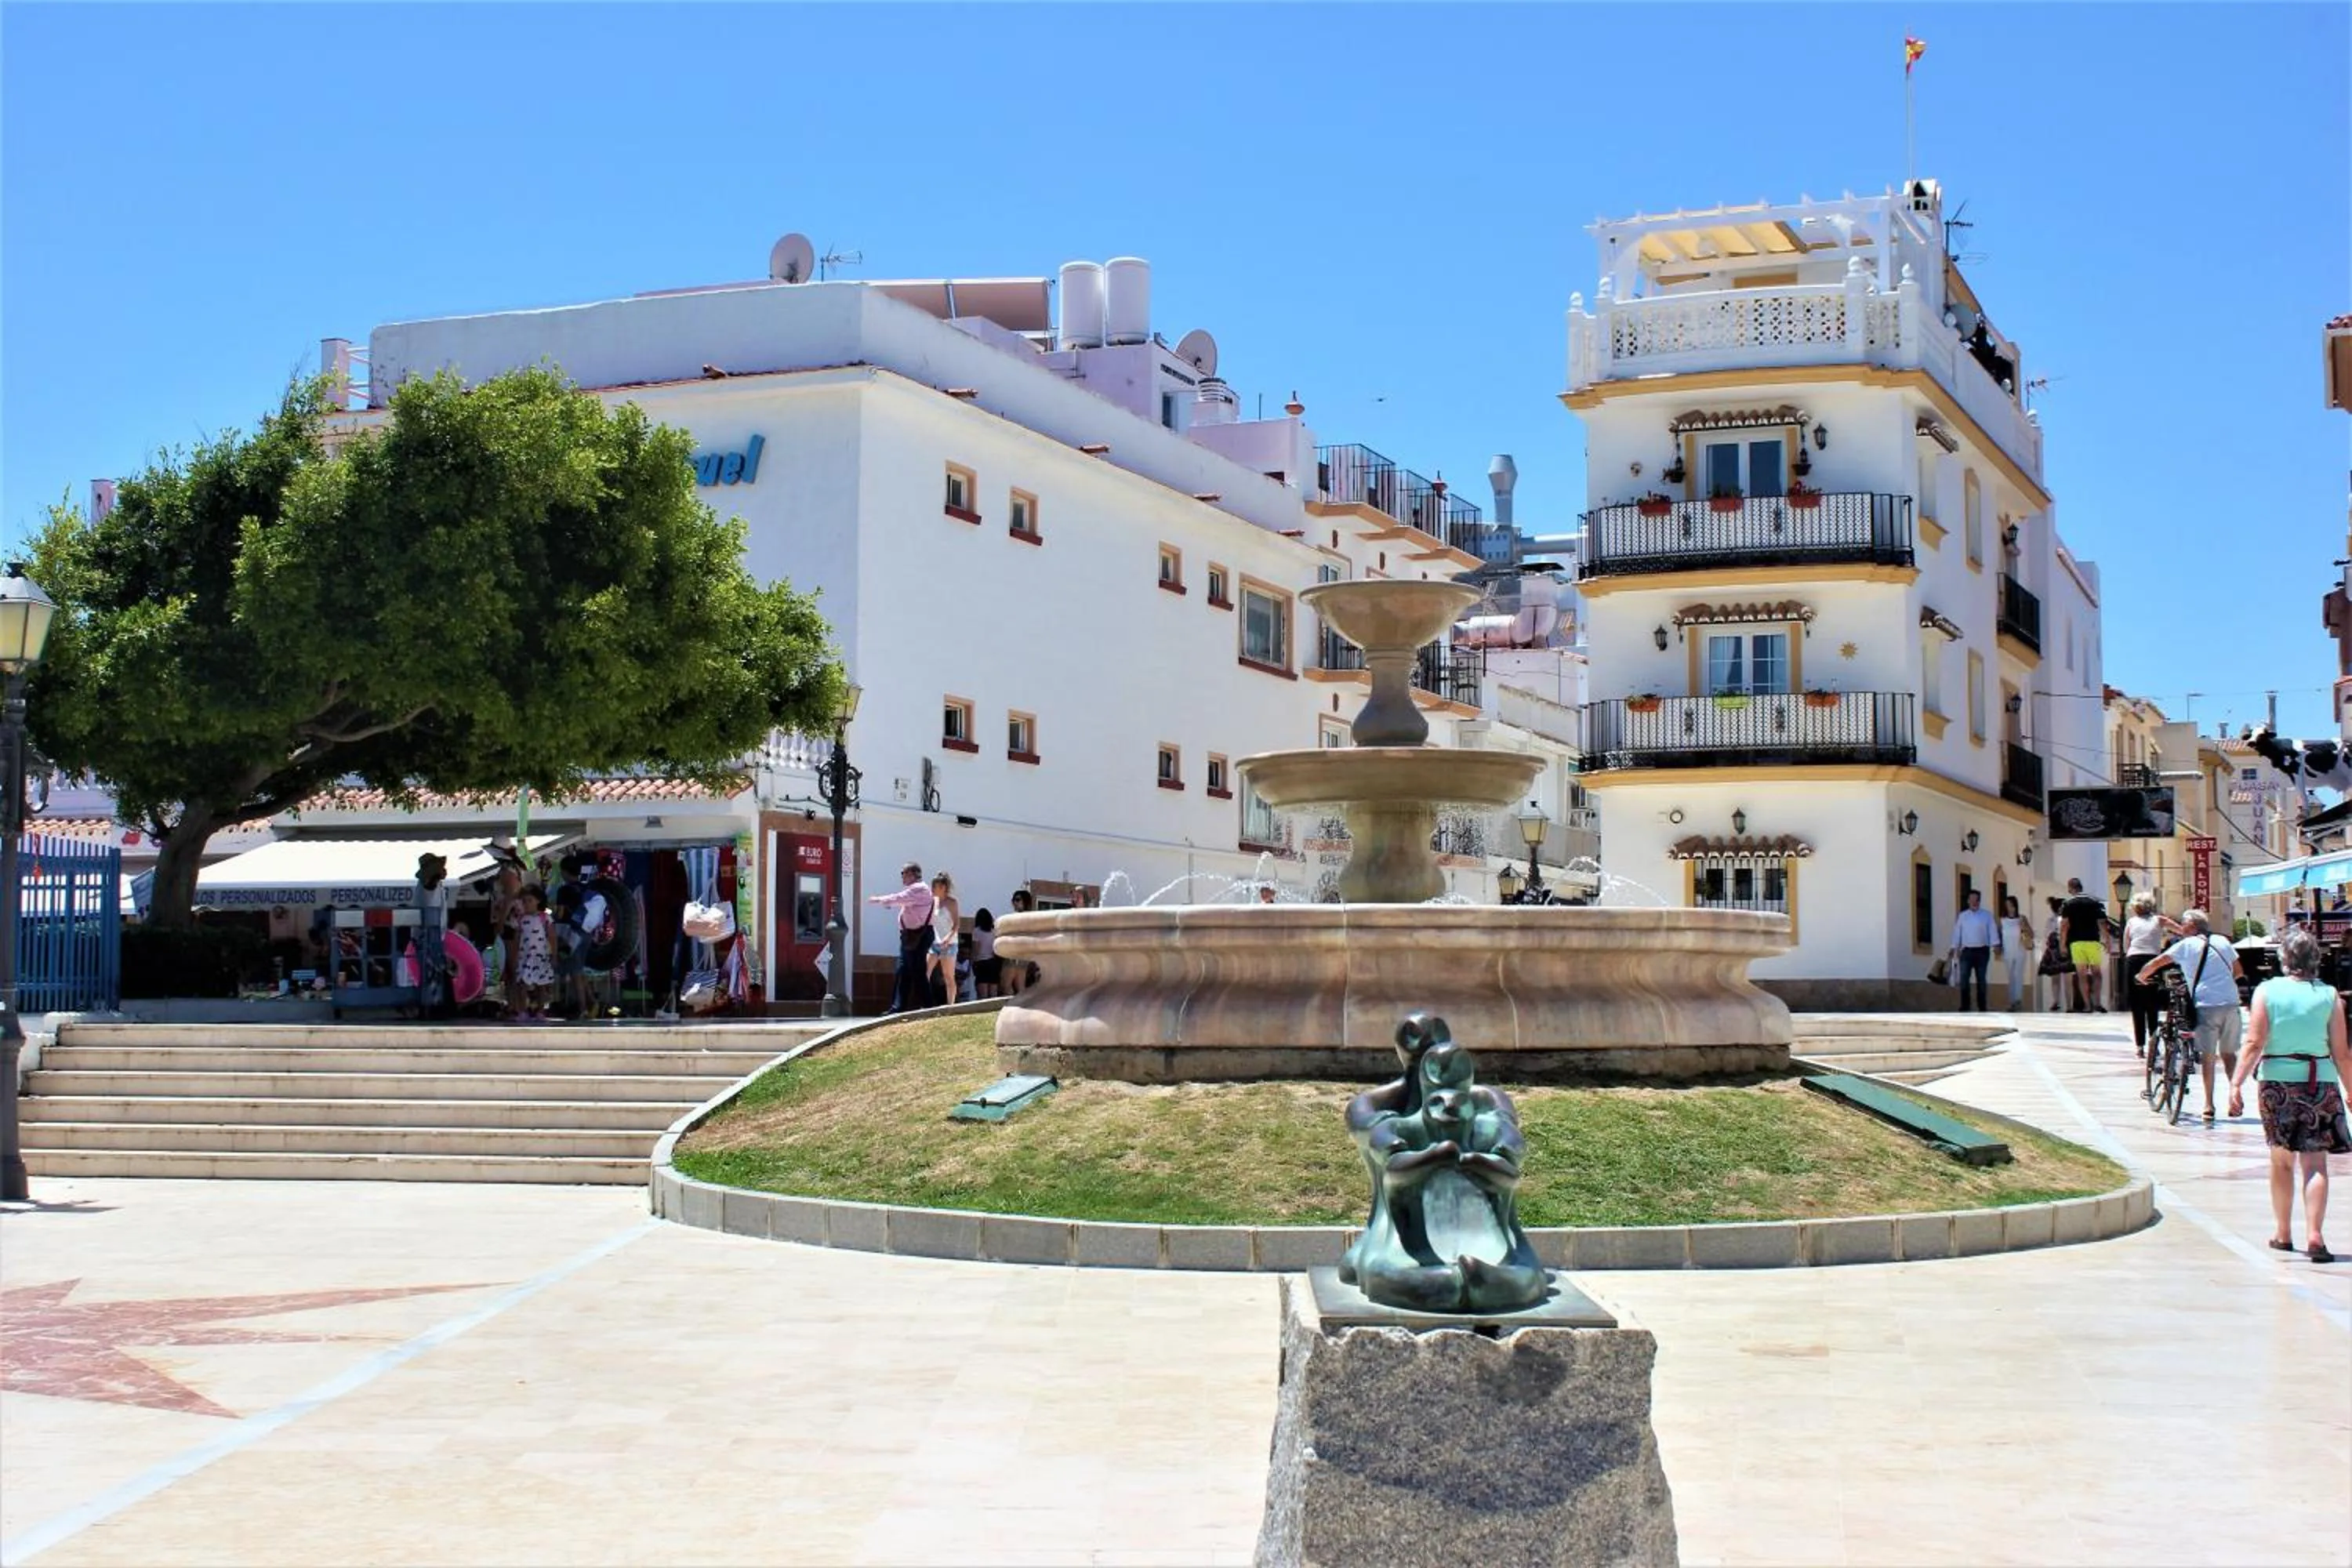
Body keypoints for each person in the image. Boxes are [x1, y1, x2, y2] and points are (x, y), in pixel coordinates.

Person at [2227, 927, 2352, 1263]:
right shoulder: (2330, 997)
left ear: (2283, 959)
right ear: (2316, 960)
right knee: (2316, 1164)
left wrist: (2236, 1082)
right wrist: (2351, 1090)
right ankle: (2315, 1235)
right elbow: (2342, 1053)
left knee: (2282, 1161)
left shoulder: (2266, 991)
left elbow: (2254, 1042)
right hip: (2320, 1083)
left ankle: (2283, 1232)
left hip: (2277, 1083)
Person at [2137, 908, 2245, 1123]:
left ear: (2192, 927)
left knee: (2207, 1057)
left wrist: (2141, 976)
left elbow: (2157, 963)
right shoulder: (2222, 942)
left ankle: (2208, 1105)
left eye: (2183, 923)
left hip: (2206, 1004)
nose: (2180, 927)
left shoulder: (2186, 945)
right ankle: (2235, 1099)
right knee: (2229, 1054)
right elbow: (2239, 971)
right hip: (2231, 1003)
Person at [869, 862, 935, 1014]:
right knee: (903, 970)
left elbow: (899, 898)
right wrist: (888, 904)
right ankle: (898, 1008)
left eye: (903, 873)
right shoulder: (915, 891)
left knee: (916, 971)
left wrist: (879, 900)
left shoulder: (919, 889)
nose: (902, 876)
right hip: (910, 936)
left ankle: (928, 1006)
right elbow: (902, 901)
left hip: (919, 936)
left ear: (913, 874)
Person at [2120, 893, 2180, 1058]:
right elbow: (2180, 930)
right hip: (2153, 961)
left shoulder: (2131, 922)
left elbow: (2126, 946)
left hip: (2134, 961)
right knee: (2152, 1004)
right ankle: (2154, 1043)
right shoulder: (2159, 920)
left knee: (2137, 1005)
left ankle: (2140, 1046)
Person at [2057, 877, 2118, 1012]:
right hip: (2093, 941)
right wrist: (2107, 941)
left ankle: (2087, 1005)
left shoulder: (2068, 904)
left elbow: (2064, 926)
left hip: (2076, 943)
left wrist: (2062, 944)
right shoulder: (2094, 902)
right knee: (2097, 973)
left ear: (2070, 888)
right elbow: (2102, 923)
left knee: (2082, 975)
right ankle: (2097, 1002)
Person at [510, 886, 557, 1021]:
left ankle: (541, 1011)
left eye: (530, 901)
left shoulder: (545, 918)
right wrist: (513, 958)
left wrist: (554, 955)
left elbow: (552, 937)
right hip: (524, 957)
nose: (526, 904)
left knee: (541, 985)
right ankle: (522, 1011)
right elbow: (516, 940)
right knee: (522, 984)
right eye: (524, 901)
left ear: (538, 901)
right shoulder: (520, 920)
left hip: (541, 957)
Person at [1947, 890, 1998, 1012]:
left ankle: (1982, 1006)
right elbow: (1957, 933)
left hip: (1982, 951)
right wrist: (1954, 947)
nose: (1974, 902)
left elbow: (1992, 930)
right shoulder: (1963, 916)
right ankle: (1965, 1005)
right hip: (1967, 951)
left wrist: (1996, 944)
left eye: (1976, 900)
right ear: (1968, 901)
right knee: (1964, 978)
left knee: (1981, 979)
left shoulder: (1987, 915)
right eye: (1972, 899)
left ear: (1979, 901)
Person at [413, 852, 451, 1017]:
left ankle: (431, 1005)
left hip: (431, 934)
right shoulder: (429, 887)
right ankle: (433, 1005)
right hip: (429, 935)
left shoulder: (430, 886)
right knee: (432, 971)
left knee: (432, 972)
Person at [925, 872, 960, 1007]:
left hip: (949, 944)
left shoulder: (952, 903)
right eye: (933, 886)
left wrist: (948, 938)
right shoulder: (932, 903)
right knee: (925, 973)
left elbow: (957, 924)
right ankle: (925, 1003)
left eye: (937, 886)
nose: (933, 889)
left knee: (948, 976)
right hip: (934, 943)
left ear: (944, 887)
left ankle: (950, 1006)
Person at [2038, 895, 2074, 1011]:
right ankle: (2057, 1002)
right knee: (2057, 978)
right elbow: (2047, 935)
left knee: (2065, 979)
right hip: (2056, 949)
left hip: (2061, 948)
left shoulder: (2065, 919)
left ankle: (2068, 1005)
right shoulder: (2052, 920)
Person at [1998, 895, 2033, 1012]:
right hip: (2008, 951)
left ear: (2015, 906)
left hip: (2020, 950)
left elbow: (2031, 934)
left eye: (2011, 905)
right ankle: (2012, 1001)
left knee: (2018, 975)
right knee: (2011, 977)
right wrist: (1998, 950)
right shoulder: (2002, 920)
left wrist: (2024, 927)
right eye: (2007, 905)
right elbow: (1999, 936)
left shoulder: (2022, 919)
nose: (2010, 908)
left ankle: (2018, 1000)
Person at [971, 907, 1002, 998]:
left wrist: (972, 964)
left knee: (983, 995)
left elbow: (975, 950)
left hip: (981, 963)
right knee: (993, 994)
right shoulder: (994, 932)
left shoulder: (977, 931)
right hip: (993, 963)